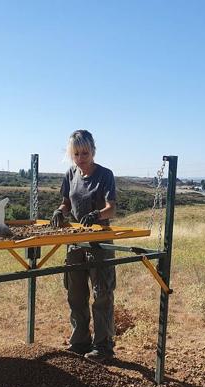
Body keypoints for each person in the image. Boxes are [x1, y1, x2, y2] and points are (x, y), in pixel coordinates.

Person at [50, 130, 117, 363]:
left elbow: (112, 208)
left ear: (93, 151)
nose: (80, 158)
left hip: (100, 243)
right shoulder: (70, 174)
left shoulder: (105, 175)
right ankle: (79, 341)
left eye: (85, 153)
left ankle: (104, 346)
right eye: (76, 154)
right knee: (75, 294)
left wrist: (96, 214)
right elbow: (67, 202)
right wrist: (60, 211)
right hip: (75, 242)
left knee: (102, 295)